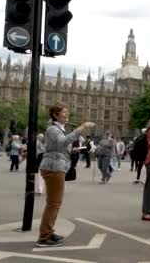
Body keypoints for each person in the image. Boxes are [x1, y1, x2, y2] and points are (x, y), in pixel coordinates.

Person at [37, 103, 95, 247]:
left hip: (57, 167)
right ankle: (44, 237)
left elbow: (62, 147)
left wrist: (77, 149)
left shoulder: (58, 129)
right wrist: (81, 128)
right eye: (64, 112)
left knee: (54, 203)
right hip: (53, 168)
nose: (67, 114)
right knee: (53, 203)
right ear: (55, 115)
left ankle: (48, 232)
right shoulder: (52, 129)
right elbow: (62, 142)